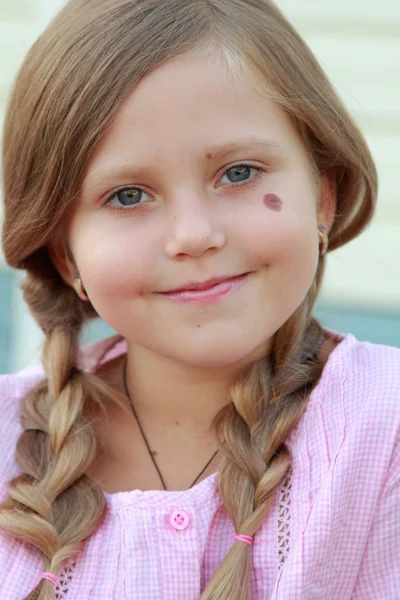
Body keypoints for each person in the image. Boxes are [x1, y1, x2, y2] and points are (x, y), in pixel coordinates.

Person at [0, 0, 399, 598]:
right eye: (129, 194)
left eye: (238, 173)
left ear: (323, 195)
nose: (194, 236)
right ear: (64, 253)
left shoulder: (384, 430)